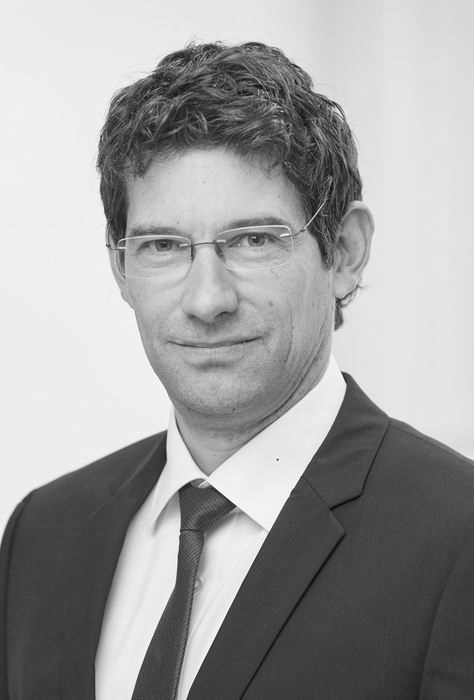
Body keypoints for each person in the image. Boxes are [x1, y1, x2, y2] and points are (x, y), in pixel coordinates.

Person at [1, 41, 473, 700]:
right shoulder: (42, 535)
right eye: (163, 246)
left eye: (253, 240)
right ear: (120, 268)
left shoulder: (457, 539)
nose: (206, 300)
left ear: (344, 252)